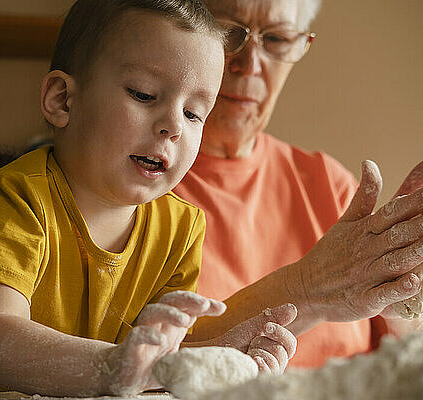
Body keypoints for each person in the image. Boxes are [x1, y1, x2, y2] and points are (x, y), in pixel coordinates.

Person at [0, 0, 297, 396]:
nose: (174, 126)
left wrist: (223, 354)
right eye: (143, 94)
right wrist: (112, 367)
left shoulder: (182, 229)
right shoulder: (14, 198)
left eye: (194, 113)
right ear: (63, 100)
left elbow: (151, 363)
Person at [175, 0, 423, 368]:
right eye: (228, 32)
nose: (250, 65)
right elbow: (143, 362)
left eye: (276, 39)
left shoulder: (330, 183)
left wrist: (405, 293)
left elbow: (398, 350)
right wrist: (306, 289)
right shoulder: (134, 181)